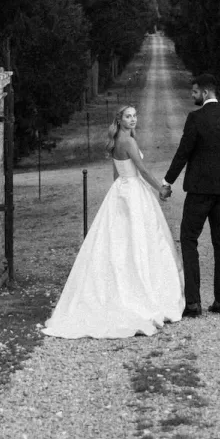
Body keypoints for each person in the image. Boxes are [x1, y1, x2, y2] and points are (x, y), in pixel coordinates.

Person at [44, 103, 184, 338]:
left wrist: (117, 192)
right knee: (140, 237)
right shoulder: (128, 141)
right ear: (119, 120)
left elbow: (116, 173)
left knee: (120, 238)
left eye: (135, 116)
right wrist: (160, 189)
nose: (133, 120)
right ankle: (142, 289)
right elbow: (142, 170)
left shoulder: (116, 140)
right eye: (128, 116)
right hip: (134, 190)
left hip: (121, 189)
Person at [162, 72, 220, 317]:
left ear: (205, 93)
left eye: (194, 92)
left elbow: (183, 153)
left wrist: (167, 181)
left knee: (188, 239)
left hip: (198, 190)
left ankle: (193, 303)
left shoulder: (195, 119)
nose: (192, 96)